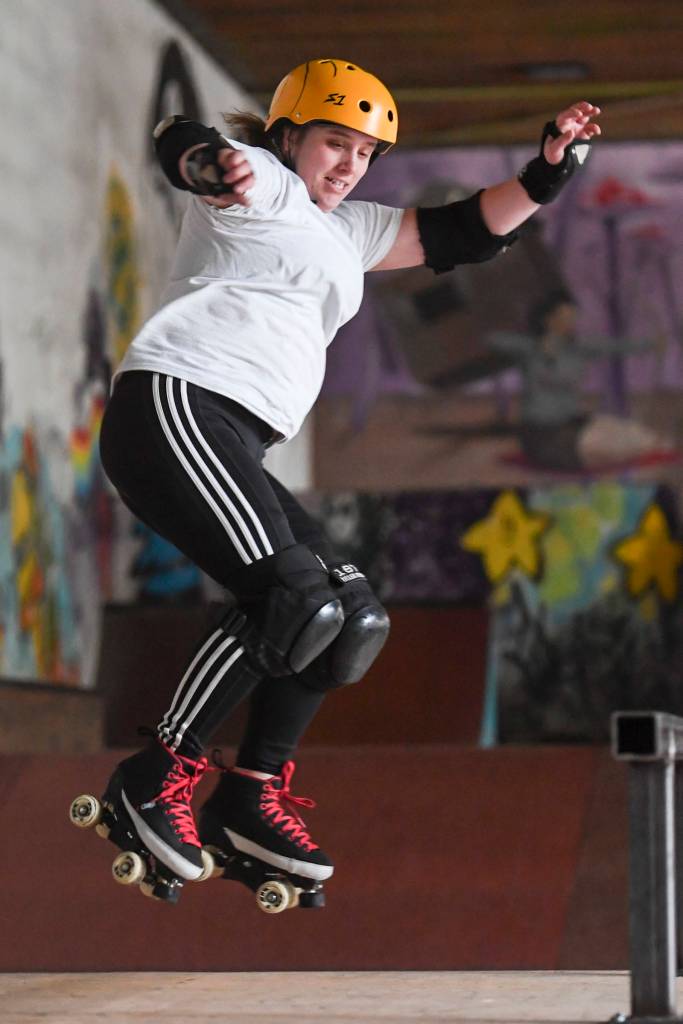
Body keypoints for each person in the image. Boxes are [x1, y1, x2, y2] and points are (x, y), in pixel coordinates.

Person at [97, 57, 601, 890]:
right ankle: (156, 777)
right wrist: (202, 158)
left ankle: (248, 795)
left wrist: (545, 173)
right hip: (176, 405)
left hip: (232, 437)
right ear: (288, 134)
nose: (348, 166)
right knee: (291, 598)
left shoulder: (349, 228)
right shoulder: (261, 178)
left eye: (365, 154)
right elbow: (187, 148)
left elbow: (462, 234)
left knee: (348, 616)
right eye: (335, 144)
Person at [489, 288, 671, 470]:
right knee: (613, 447)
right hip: (542, 435)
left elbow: (616, 346)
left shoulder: (577, 347)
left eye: (572, 316)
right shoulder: (527, 348)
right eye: (565, 317)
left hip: (573, 423)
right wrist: (537, 344)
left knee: (630, 432)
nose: (571, 322)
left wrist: (651, 344)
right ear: (548, 319)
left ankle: (653, 445)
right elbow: (492, 340)